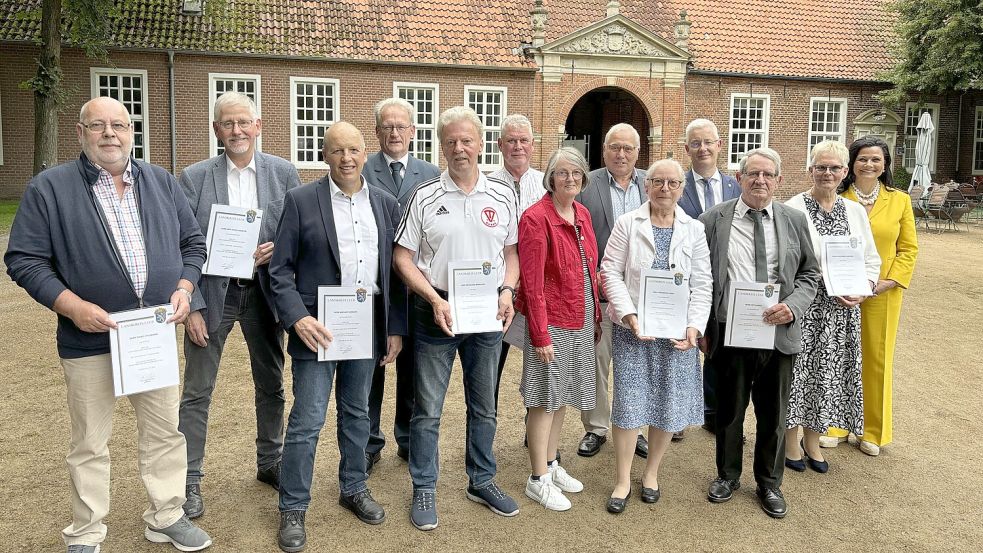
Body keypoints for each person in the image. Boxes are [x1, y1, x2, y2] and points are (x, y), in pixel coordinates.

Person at [5, 97, 212, 552]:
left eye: (118, 124)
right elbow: (23, 259)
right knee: (89, 442)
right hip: (89, 338)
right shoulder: (50, 188)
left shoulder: (160, 182)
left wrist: (183, 287)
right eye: (97, 125)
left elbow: (193, 243)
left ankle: (166, 515)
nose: (109, 134)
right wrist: (72, 305)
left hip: (151, 335)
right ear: (80, 133)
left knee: (163, 432)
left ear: (131, 131)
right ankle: (87, 529)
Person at [270, 122, 406, 552]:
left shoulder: (385, 204)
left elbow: (396, 273)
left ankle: (353, 487)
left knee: (357, 414)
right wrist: (297, 319)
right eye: (336, 151)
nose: (346, 158)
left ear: (365, 152)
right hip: (318, 330)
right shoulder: (300, 201)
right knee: (307, 419)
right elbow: (279, 271)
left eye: (353, 150)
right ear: (323, 155)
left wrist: (394, 329)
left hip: (364, 327)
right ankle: (293, 506)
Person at [394, 106, 521, 530]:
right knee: (427, 408)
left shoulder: (503, 195)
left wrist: (507, 290)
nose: (459, 148)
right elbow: (402, 258)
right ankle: (424, 485)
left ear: (481, 143)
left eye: (466, 140)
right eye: (451, 141)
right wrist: (432, 297)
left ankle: (481, 480)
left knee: (484, 405)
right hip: (439, 312)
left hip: (486, 312)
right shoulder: (425, 196)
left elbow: (511, 253)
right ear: (441, 146)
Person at [178, 91, 301, 518]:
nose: (237, 131)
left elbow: (298, 235)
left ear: (258, 126)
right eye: (227, 124)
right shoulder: (193, 178)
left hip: (264, 294)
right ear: (217, 130)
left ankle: (271, 461)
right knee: (197, 390)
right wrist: (191, 305)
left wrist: (277, 248)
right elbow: (182, 245)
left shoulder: (284, 174)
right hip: (214, 294)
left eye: (243, 122)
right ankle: (188, 479)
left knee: (272, 382)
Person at [699, 147, 820, 519]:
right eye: (752, 174)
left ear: (779, 180)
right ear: (739, 177)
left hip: (778, 331)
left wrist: (793, 306)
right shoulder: (712, 220)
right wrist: (703, 327)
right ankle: (728, 476)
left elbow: (810, 274)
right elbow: (701, 279)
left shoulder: (794, 220)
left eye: (768, 175)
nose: (760, 181)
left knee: (774, 413)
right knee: (730, 411)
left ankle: (769, 483)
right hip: (731, 333)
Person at [600, 159, 712, 513]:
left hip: (677, 334)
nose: (665, 188)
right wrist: (628, 314)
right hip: (634, 331)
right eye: (658, 182)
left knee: (667, 401)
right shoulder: (627, 223)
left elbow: (703, 283)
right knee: (629, 403)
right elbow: (610, 272)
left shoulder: (693, 229)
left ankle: (651, 473)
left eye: (673, 183)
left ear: (682, 188)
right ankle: (621, 478)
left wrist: (694, 326)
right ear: (646, 187)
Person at [783, 140, 881, 473]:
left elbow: (870, 259)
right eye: (820, 167)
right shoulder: (792, 208)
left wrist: (863, 288)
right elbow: (785, 260)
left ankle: (814, 441)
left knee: (827, 377)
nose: (827, 173)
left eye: (834, 168)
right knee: (797, 374)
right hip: (804, 307)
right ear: (810, 170)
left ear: (844, 172)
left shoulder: (854, 210)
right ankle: (790, 442)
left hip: (841, 312)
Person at [822, 136, 918, 456]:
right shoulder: (838, 197)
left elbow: (908, 249)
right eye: (863, 159)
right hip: (843, 293)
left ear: (885, 165)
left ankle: (873, 430)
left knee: (877, 361)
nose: (869, 164)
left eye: (876, 159)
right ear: (851, 164)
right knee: (840, 355)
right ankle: (835, 424)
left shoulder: (900, 201)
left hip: (882, 295)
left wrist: (889, 281)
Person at [515, 147, 600, 511]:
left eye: (576, 174)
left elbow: (589, 269)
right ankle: (537, 478)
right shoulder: (536, 219)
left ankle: (551, 464)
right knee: (544, 398)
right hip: (551, 319)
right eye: (562, 173)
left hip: (579, 315)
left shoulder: (582, 213)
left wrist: (594, 315)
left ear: (583, 179)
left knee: (563, 394)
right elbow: (531, 284)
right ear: (550, 177)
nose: (569, 179)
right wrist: (540, 334)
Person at [362, 97, 440, 472]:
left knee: (414, 368)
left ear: (413, 132)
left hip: (416, 286)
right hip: (375, 288)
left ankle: (407, 439)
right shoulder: (361, 169)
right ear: (377, 132)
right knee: (373, 366)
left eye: (401, 126)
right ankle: (369, 441)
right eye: (387, 126)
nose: (394, 133)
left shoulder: (431, 173)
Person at [574, 123, 650, 459]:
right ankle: (597, 427)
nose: (621, 154)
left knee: (637, 365)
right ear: (604, 150)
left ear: (638, 151)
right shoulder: (586, 185)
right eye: (615, 147)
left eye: (628, 148)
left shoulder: (652, 184)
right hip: (600, 294)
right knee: (596, 363)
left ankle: (635, 426)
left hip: (644, 297)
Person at [678, 118, 741, 438]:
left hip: (728, 281)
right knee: (681, 347)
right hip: (687, 280)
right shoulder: (676, 185)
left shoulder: (735, 187)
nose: (702, 148)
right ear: (686, 148)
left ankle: (716, 415)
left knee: (724, 350)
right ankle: (675, 415)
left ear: (719, 145)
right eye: (695, 143)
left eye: (708, 142)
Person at [488, 114, 546, 410]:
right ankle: (487, 430)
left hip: (539, 288)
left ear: (533, 145)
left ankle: (535, 430)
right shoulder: (486, 186)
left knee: (539, 360)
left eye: (523, 140)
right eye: (511, 140)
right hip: (501, 288)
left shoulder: (547, 184)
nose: (517, 146)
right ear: (500, 145)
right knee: (491, 363)